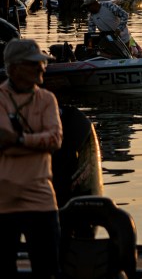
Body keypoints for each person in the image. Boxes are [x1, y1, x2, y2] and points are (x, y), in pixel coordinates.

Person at [1, 39, 63, 278]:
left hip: (41, 197)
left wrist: (18, 140)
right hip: (3, 199)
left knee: (48, 271)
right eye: (35, 64)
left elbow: (55, 140)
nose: (42, 68)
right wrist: (37, 143)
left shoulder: (47, 99)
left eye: (43, 63)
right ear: (15, 68)